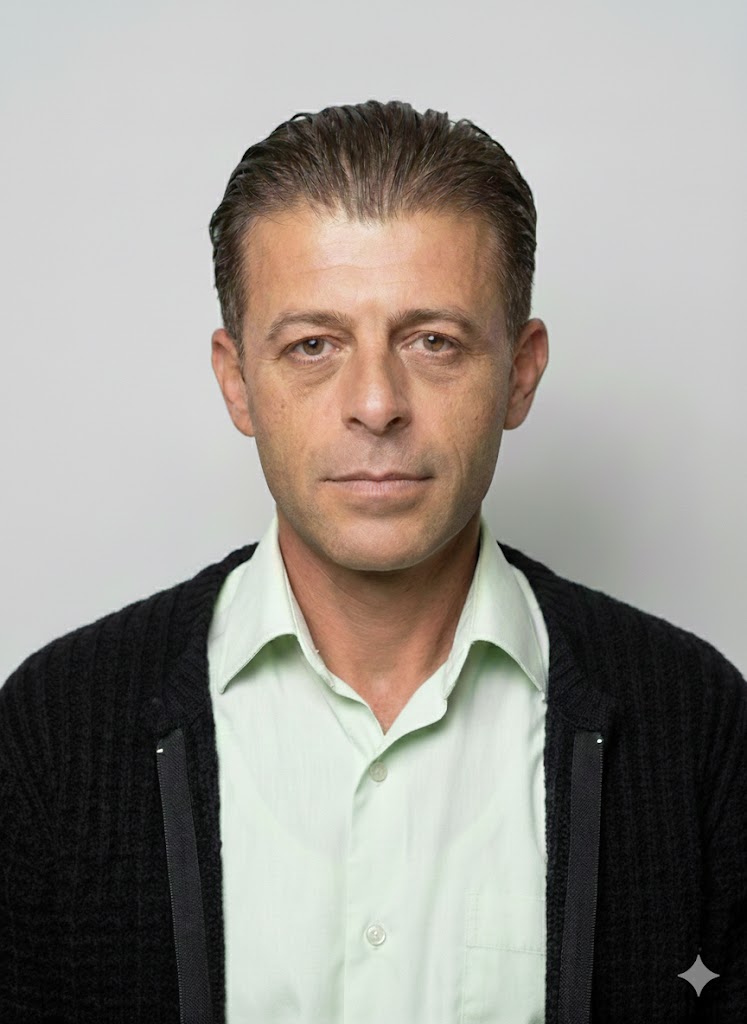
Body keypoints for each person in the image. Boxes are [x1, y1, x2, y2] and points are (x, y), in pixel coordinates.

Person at [0, 99, 744, 1024]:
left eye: (433, 341)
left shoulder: (697, 724)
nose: (376, 403)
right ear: (237, 382)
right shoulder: (52, 730)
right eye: (313, 345)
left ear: (519, 372)